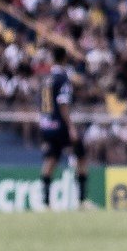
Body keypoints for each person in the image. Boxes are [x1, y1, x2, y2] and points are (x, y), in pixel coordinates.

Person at [39, 45, 89, 210]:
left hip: (47, 124)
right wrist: (71, 127)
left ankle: (45, 203)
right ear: (65, 59)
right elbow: (63, 104)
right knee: (81, 156)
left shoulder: (46, 78)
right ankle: (82, 200)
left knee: (51, 160)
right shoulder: (63, 78)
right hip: (61, 125)